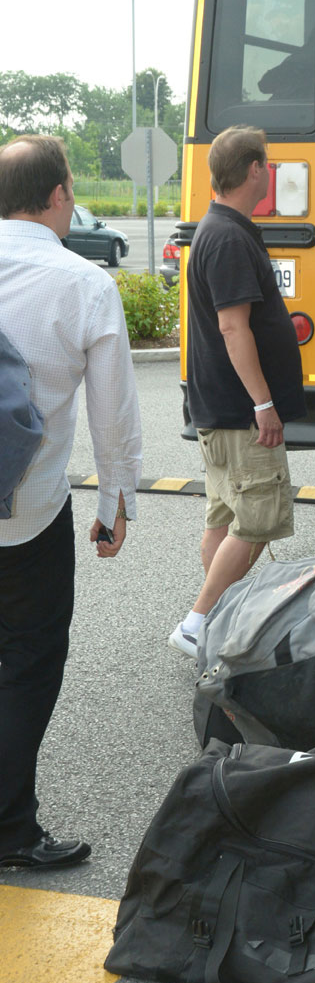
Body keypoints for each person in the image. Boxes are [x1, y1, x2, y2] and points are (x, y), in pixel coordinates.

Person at [0, 135, 141, 871]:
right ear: (58, 195)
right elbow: (112, 415)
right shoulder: (82, 282)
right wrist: (115, 502)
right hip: (25, 516)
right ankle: (9, 829)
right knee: (26, 659)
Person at [169, 126, 305, 657]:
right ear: (253, 170)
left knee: (224, 518)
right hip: (238, 413)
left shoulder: (220, 228)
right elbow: (233, 327)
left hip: (221, 409)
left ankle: (219, 619)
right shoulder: (227, 236)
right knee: (258, 519)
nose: (269, 171)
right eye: (265, 163)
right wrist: (264, 405)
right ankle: (198, 622)